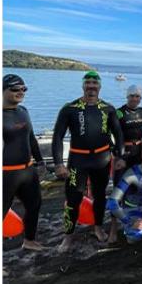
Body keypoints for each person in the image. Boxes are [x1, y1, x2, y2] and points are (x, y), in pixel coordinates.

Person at [52, 71, 125, 251]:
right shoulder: (70, 108)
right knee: (73, 198)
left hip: (101, 159)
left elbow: (118, 134)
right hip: (78, 160)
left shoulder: (108, 108)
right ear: (83, 85)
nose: (91, 86)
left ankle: (98, 227)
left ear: (99, 86)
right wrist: (59, 164)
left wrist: (120, 156)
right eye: (88, 82)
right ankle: (68, 236)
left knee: (100, 196)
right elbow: (57, 137)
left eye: (95, 83)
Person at [2, 74, 47, 251]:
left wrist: (41, 162)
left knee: (34, 205)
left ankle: (29, 240)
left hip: (27, 171)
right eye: (15, 89)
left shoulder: (24, 111)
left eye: (23, 89)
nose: (20, 92)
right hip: (6, 173)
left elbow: (31, 138)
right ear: (3, 90)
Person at [108, 84, 142, 244]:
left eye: (137, 96)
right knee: (118, 191)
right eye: (132, 96)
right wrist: (115, 151)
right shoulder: (119, 112)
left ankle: (137, 222)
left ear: (140, 98)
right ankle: (112, 228)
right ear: (127, 97)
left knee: (138, 188)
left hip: (139, 153)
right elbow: (108, 132)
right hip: (123, 154)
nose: (134, 99)